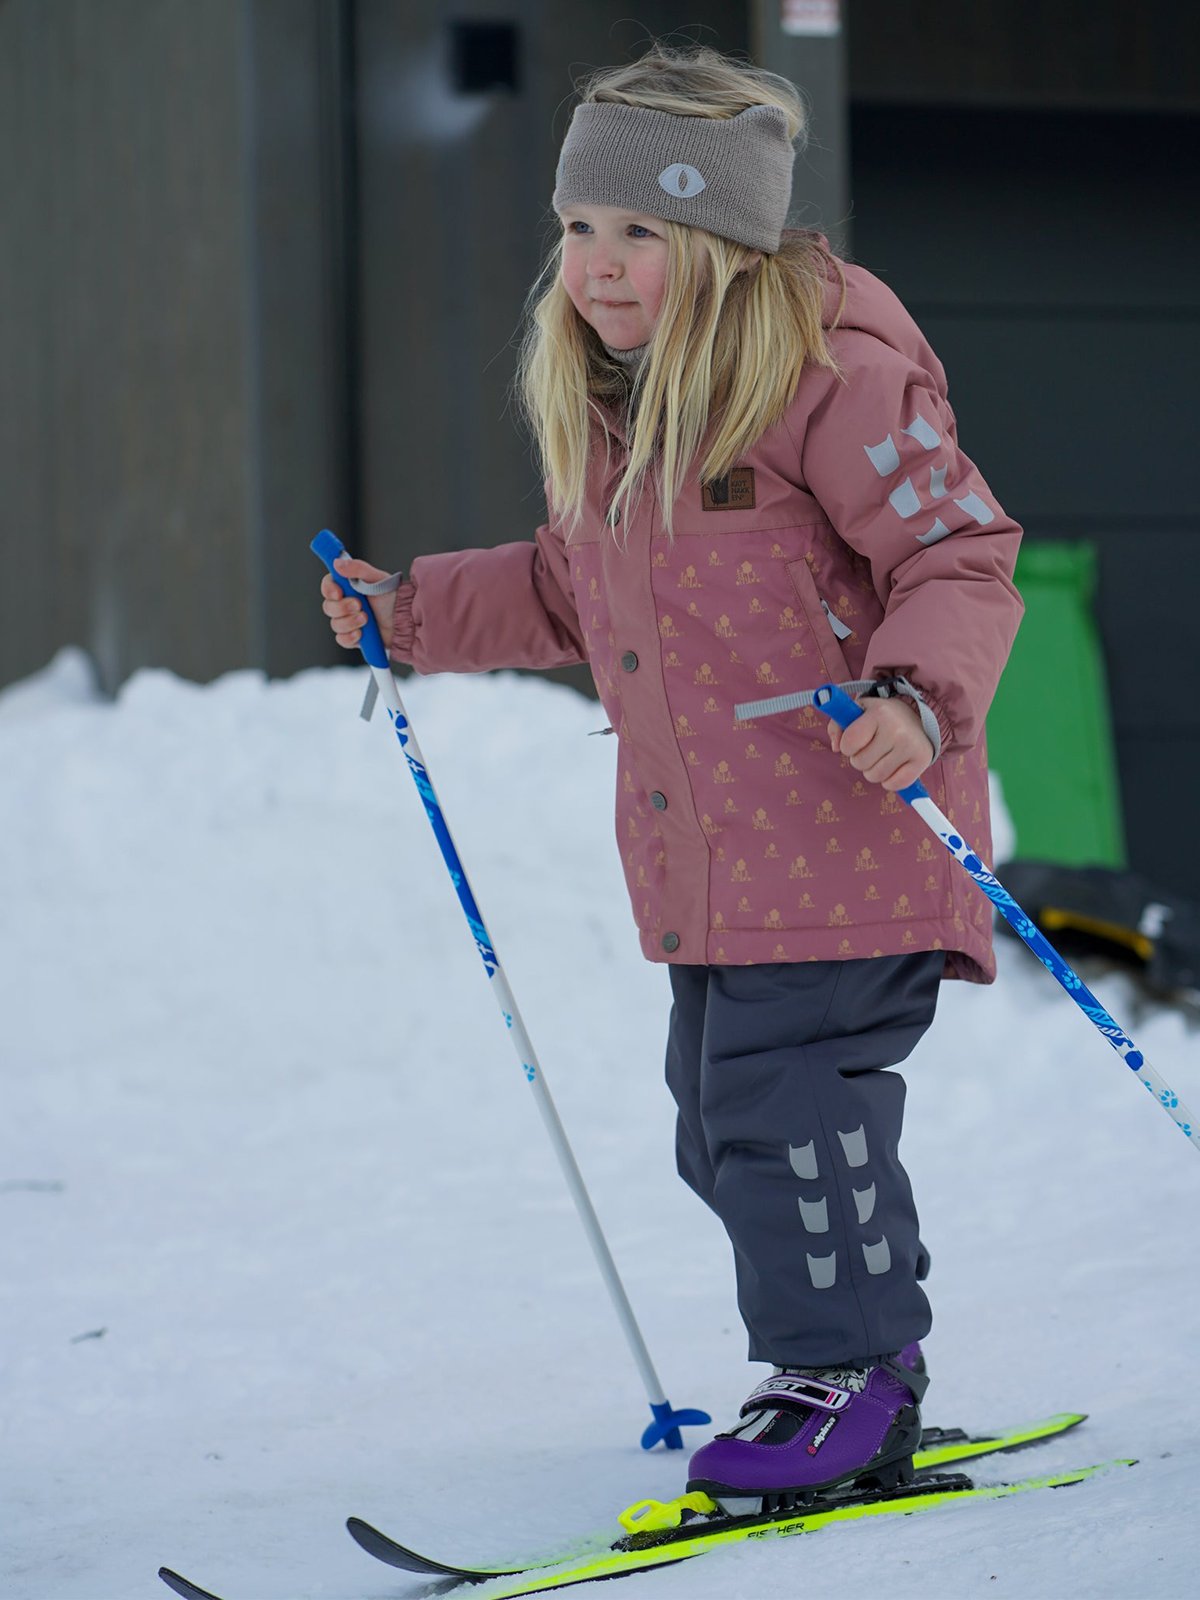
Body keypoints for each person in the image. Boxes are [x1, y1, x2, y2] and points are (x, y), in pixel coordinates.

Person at [320, 43, 1023, 1511]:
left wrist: (914, 695)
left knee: (784, 1105)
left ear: (724, 241)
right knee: (721, 1125)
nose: (599, 264)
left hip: (852, 831)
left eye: (642, 230)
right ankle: (850, 1359)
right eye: (579, 228)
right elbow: (574, 594)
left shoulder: (835, 382)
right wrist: (413, 617)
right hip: (713, 861)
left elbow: (958, 555)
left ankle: (846, 1374)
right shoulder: (626, 408)